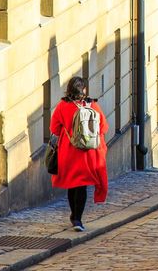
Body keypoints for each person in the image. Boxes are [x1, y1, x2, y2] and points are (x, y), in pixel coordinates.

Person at [49, 76, 109, 231]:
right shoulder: (92, 104)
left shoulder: (62, 106)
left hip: (69, 151)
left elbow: (54, 128)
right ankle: (78, 219)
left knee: (72, 185)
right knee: (82, 186)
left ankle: (74, 216)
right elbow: (103, 127)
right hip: (88, 152)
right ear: (84, 90)